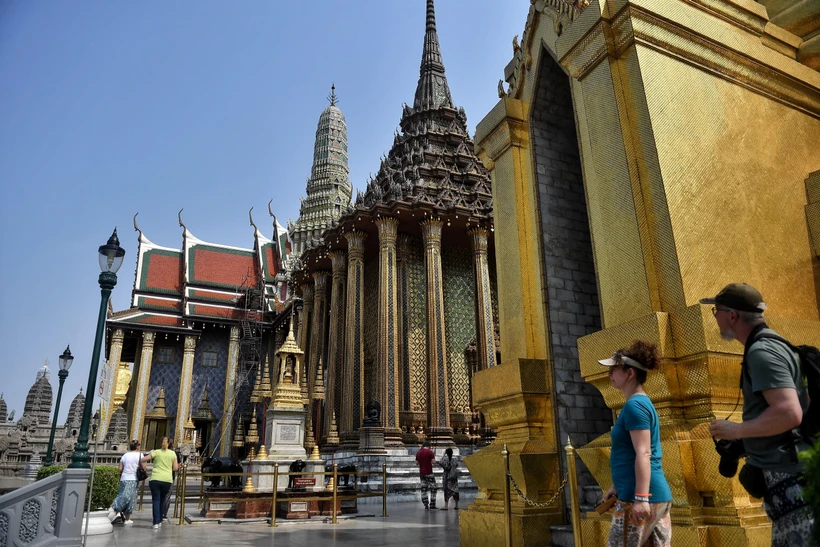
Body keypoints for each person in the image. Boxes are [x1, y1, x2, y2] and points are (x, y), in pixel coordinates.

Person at [703, 283, 813, 546]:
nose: (715, 317)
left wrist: (737, 430)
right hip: (791, 475)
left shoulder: (762, 351)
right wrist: (744, 443)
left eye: (716, 311)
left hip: (791, 478)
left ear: (732, 316)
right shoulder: (775, 345)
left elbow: (789, 412)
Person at [599, 341, 672, 547]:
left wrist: (641, 498)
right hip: (650, 494)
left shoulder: (635, 406)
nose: (609, 375)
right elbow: (631, 452)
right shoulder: (640, 403)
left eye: (613, 370)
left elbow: (644, 453)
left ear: (629, 373)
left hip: (639, 498)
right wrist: (617, 485)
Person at [141, 436, 179, 529]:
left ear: (161, 443)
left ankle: (156, 522)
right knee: (162, 500)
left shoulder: (156, 452)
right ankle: (160, 519)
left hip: (155, 478)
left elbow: (143, 459)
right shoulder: (173, 453)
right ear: (169, 443)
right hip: (167, 480)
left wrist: (144, 467)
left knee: (156, 500)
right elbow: (175, 468)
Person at [111, 440, 145, 525]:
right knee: (131, 498)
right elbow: (144, 467)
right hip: (133, 478)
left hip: (124, 478)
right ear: (137, 446)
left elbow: (120, 469)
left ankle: (118, 513)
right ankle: (127, 518)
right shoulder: (140, 455)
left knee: (121, 495)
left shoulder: (125, 455)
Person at [415, 441, 437, 510]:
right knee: (433, 488)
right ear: (429, 446)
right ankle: (432, 504)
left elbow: (416, 463)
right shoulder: (430, 452)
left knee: (424, 489)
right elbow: (433, 462)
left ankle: (425, 504)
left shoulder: (418, 452)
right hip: (429, 472)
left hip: (422, 473)